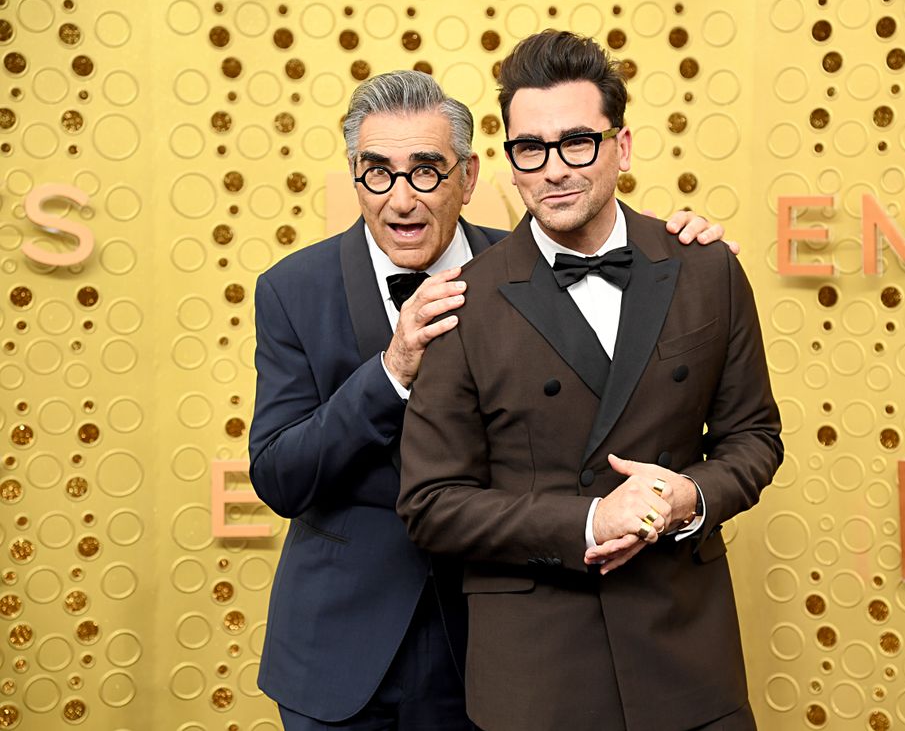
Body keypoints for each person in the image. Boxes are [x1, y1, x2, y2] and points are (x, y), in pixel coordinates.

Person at [249, 69, 732, 730]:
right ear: (355, 176)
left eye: (425, 171)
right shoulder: (291, 289)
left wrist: (688, 259)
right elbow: (280, 476)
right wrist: (390, 371)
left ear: (469, 176)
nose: (400, 199)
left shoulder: (535, 270)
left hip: (499, 648)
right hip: (338, 657)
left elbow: (615, 403)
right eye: (377, 173)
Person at [398, 32, 783, 731]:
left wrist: (689, 495)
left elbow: (754, 438)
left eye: (578, 141)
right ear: (510, 163)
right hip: (536, 678)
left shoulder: (706, 269)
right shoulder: (463, 301)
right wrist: (586, 519)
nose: (554, 169)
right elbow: (429, 502)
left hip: (688, 660)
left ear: (622, 147)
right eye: (531, 149)